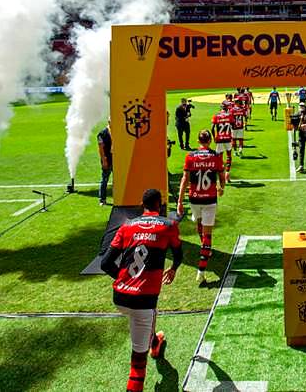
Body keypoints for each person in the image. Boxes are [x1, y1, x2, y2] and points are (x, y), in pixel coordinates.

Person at [100, 188, 182, 392]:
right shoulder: (169, 225)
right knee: (138, 364)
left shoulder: (127, 225)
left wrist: (124, 280)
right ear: (160, 204)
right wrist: (173, 269)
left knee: (143, 322)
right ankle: (152, 347)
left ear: (141, 204)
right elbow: (179, 254)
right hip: (143, 302)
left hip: (119, 297)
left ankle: (155, 341)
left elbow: (105, 263)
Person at [177, 130, 225, 283]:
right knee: (208, 235)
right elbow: (222, 176)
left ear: (198, 141)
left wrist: (179, 201)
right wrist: (222, 187)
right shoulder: (216, 156)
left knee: (199, 223)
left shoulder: (190, 156)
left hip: (194, 198)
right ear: (210, 141)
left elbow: (185, 179)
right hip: (209, 199)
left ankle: (205, 249)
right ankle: (201, 270)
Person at [210, 107, 235, 179]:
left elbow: (212, 128)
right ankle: (227, 172)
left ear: (220, 110)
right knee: (229, 156)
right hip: (228, 138)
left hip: (219, 139)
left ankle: (221, 173)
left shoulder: (216, 116)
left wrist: (214, 137)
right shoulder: (229, 115)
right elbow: (233, 126)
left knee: (219, 157)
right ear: (226, 110)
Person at [97, 119, 113, 206]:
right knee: (104, 179)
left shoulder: (118, 131)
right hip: (108, 159)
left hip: (117, 159)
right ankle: (102, 199)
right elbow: (101, 149)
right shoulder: (102, 133)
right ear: (109, 122)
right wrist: (104, 160)